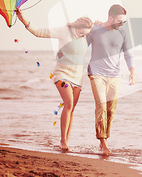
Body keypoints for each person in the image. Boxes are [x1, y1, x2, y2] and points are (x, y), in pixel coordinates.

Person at [15, 8, 93, 151]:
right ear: (78, 26)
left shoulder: (84, 36)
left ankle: (66, 141)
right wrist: (23, 20)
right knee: (68, 104)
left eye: (85, 35)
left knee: (71, 109)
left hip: (77, 76)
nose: (83, 36)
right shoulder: (64, 31)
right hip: (62, 73)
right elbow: (40, 32)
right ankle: (62, 141)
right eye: (82, 33)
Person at [87, 4, 135, 155]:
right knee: (101, 106)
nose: (122, 24)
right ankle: (103, 142)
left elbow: (128, 54)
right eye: (119, 21)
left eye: (124, 22)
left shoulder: (122, 33)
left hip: (115, 75)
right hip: (96, 73)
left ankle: (105, 137)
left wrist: (132, 71)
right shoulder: (95, 30)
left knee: (111, 110)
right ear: (110, 18)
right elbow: (80, 45)